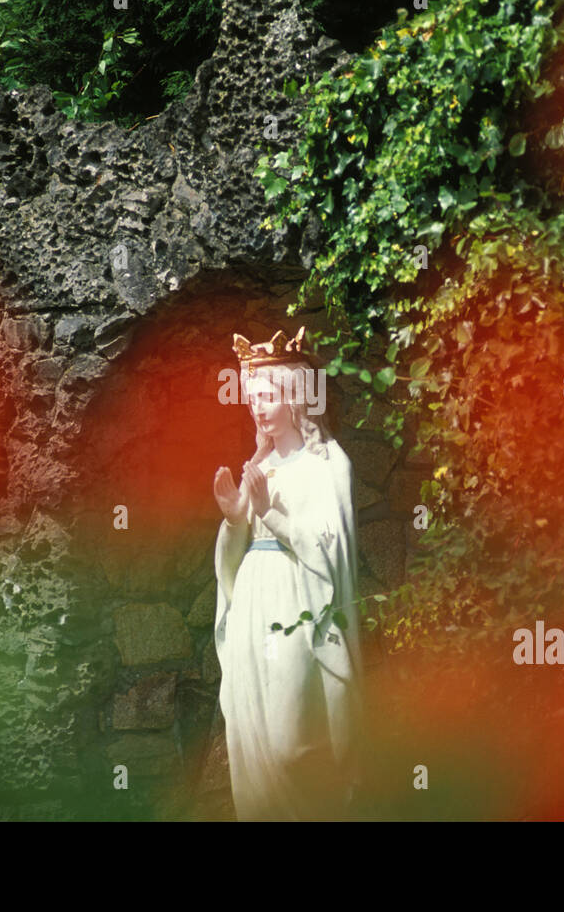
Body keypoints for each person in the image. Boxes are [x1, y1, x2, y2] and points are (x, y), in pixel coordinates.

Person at [212, 328, 363, 820]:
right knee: (250, 736)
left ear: (295, 397)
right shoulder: (261, 464)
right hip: (254, 605)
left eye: (268, 397)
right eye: (252, 399)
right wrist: (236, 517)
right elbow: (235, 555)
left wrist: (269, 515)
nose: (257, 409)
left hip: (299, 604)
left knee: (291, 743)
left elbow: (328, 550)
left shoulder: (326, 464)